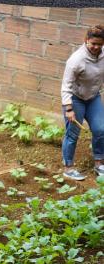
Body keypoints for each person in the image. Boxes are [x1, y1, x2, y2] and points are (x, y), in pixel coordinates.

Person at [61, 25, 104, 180]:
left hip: (93, 98)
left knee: (100, 129)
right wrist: (68, 108)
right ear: (86, 40)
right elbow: (66, 85)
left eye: (100, 44)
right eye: (93, 43)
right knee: (72, 134)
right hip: (75, 99)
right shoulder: (76, 60)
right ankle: (68, 167)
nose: (96, 47)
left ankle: (99, 163)